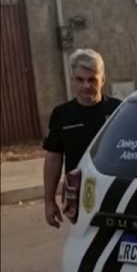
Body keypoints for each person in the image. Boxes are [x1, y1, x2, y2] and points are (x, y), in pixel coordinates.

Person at [42, 49, 121, 228]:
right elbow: (53, 158)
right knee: (81, 241)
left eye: (92, 79)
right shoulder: (61, 115)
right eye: (79, 79)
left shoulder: (118, 111)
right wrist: (49, 201)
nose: (86, 85)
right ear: (72, 81)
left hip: (113, 193)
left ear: (102, 80)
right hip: (78, 195)